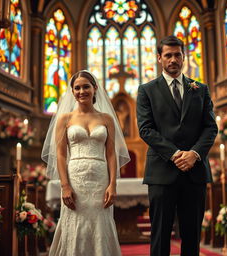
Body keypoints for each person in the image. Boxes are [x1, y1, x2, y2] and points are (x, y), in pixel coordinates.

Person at [136, 35, 218, 256]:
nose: (173, 59)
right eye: (168, 55)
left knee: (192, 236)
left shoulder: (200, 89)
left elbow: (211, 127)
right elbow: (145, 129)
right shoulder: (147, 90)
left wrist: (194, 154)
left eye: (177, 55)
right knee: (160, 234)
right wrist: (175, 154)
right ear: (159, 58)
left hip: (195, 171)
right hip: (162, 173)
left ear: (184, 57)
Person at [42, 70, 130, 256]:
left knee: (100, 222)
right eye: (77, 88)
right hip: (75, 178)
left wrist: (113, 184)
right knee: (75, 222)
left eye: (86, 86)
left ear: (95, 88)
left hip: (100, 179)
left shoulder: (107, 119)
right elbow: (60, 155)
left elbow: (111, 155)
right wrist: (65, 186)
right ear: (72, 92)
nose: (81, 91)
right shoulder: (64, 119)